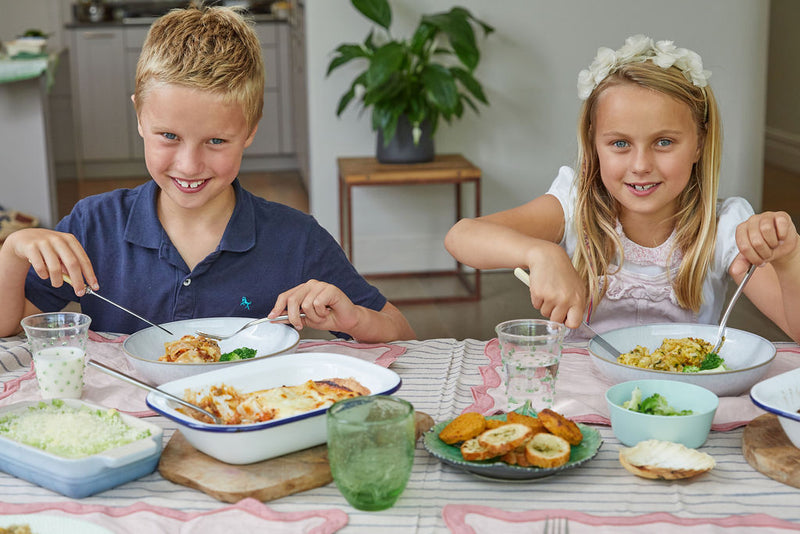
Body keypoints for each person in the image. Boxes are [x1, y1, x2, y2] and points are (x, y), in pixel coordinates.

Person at [0, 4, 415, 343]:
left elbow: (401, 333)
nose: (189, 165)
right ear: (140, 118)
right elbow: (9, 325)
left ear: (250, 130)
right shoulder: (93, 226)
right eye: (168, 136)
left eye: (216, 141)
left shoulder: (296, 239)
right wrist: (13, 250)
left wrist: (352, 317)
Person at [445, 35, 800, 342]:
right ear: (593, 144)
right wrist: (542, 254)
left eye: (663, 142)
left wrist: (788, 261)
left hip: (683, 402)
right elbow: (463, 236)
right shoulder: (572, 205)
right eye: (619, 144)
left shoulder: (724, 227)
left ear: (699, 144)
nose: (641, 164)